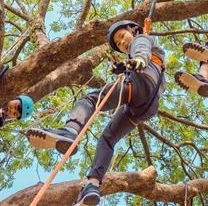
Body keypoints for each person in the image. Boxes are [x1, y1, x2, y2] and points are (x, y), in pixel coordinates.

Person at [25, 20, 165, 206]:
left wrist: (138, 60)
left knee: (89, 100)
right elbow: (137, 59)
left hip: (141, 84)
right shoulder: (135, 54)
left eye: (122, 36)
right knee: (107, 139)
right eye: (119, 44)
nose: (123, 43)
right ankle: (92, 185)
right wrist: (125, 67)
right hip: (145, 107)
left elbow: (142, 49)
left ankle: (71, 131)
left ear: (134, 30)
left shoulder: (142, 39)